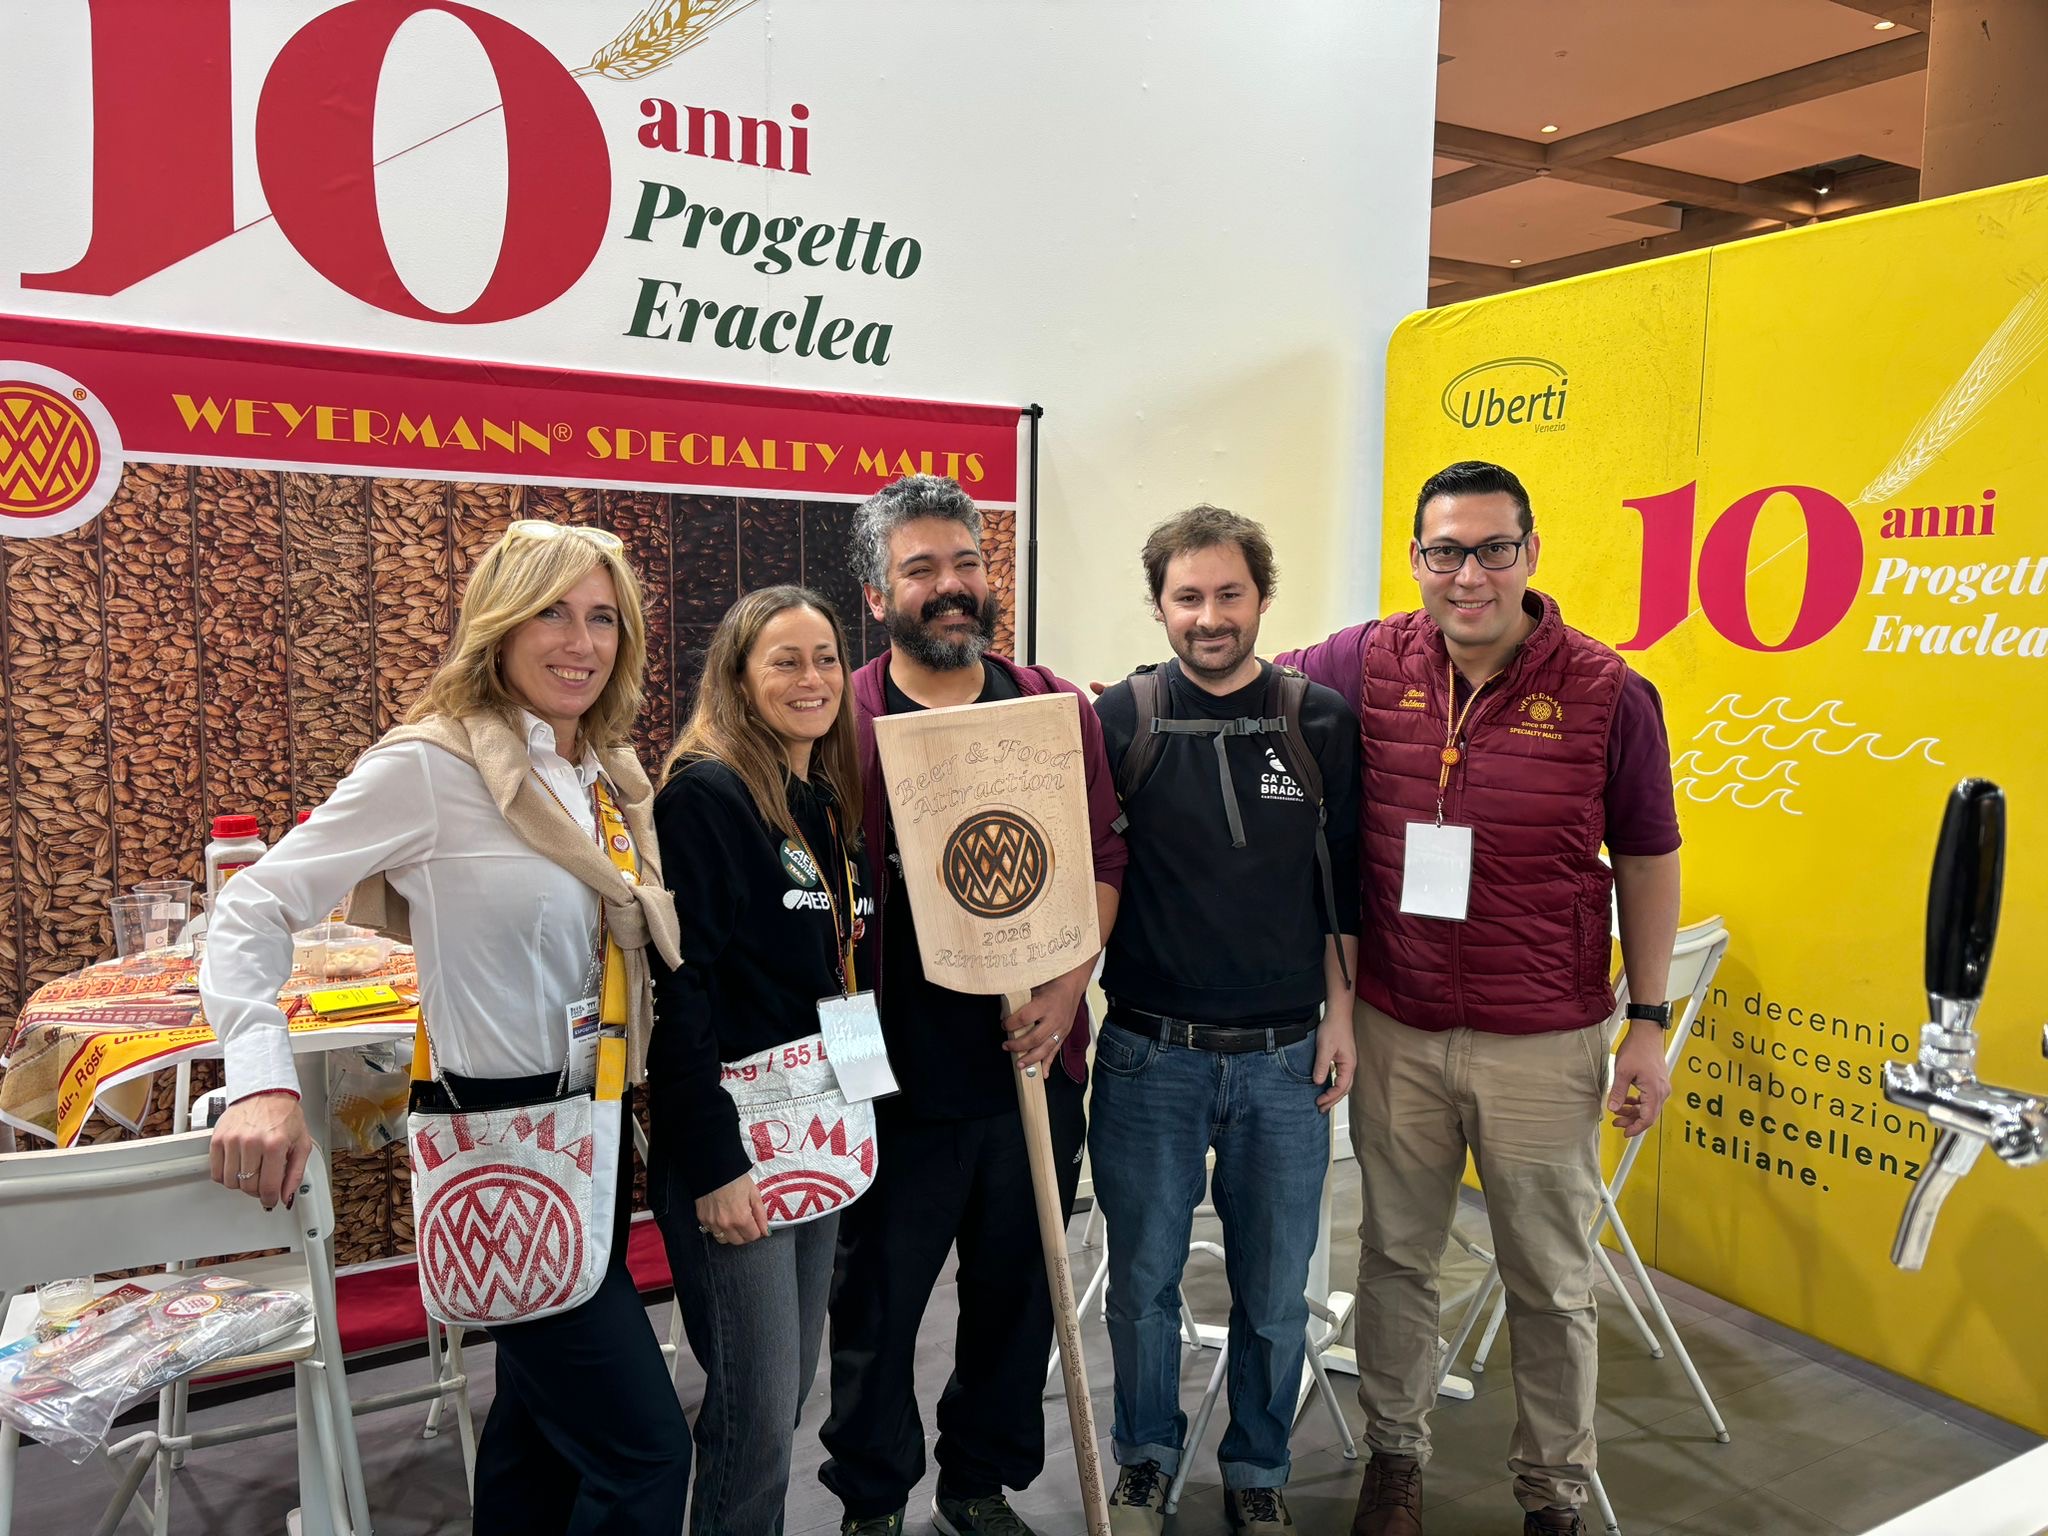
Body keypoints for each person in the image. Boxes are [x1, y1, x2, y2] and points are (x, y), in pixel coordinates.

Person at [203, 519, 691, 1535]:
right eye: (552, 611)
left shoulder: (600, 773)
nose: (581, 641)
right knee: (645, 1450)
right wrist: (262, 1076)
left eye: (603, 617)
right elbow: (251, 908)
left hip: (593, 1127)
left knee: (535, 1440)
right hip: (500, 1147)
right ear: (498, 624)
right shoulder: (431, 767)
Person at [1277, 461, 1682, 1536]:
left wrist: (1646, 1025)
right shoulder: (1365, 662)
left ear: (1530, 553)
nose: (1469, 575)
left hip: (1541, 1040)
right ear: (1416, 559)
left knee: (1549, 1281)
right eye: (1446, 552)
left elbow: (1647, 858)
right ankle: (1393, 1461)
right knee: (1395, 1260)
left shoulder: (1607, 691)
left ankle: (1552, 1493)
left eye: (1493, 549)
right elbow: (1236, 678)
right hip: (1396, 1024)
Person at [819, 474, 1128, 1536]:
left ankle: (977, 1484)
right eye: (921, 570)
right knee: (875, 1307)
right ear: (876, 595)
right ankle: (870, 1498)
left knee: (1017, 1298)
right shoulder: (843, 717)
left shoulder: (1049, 709)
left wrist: (1065, 990)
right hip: (892, 1079)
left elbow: (1103, 858)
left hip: (1027, 1064)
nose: (950, 587)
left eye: (966, 563)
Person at [1088, 506, 1360, 1534]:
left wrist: (1342, 1018)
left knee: (1275, 1290)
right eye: (1187, 597)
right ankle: (1145, 1459)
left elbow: (1344, 889)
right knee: (1141, 1281)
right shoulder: (1118, 720)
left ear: (1262, 596)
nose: (1209, 617)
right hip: (1146, 1054)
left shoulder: (1318, 721)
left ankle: (1257, 1467)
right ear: (1158, 605)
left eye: (1228, 594)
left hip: (1285, 1059)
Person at [648, 585, 874, 1535]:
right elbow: (680, 995)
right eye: (785, 660)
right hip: (736, 1147)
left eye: (825, 658)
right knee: (754, 1411)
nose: (812, 678)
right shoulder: (705, 798)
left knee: (780, 1401)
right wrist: (715, 1166)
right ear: (738, 678)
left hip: (816, 1126)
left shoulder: (819, 797)